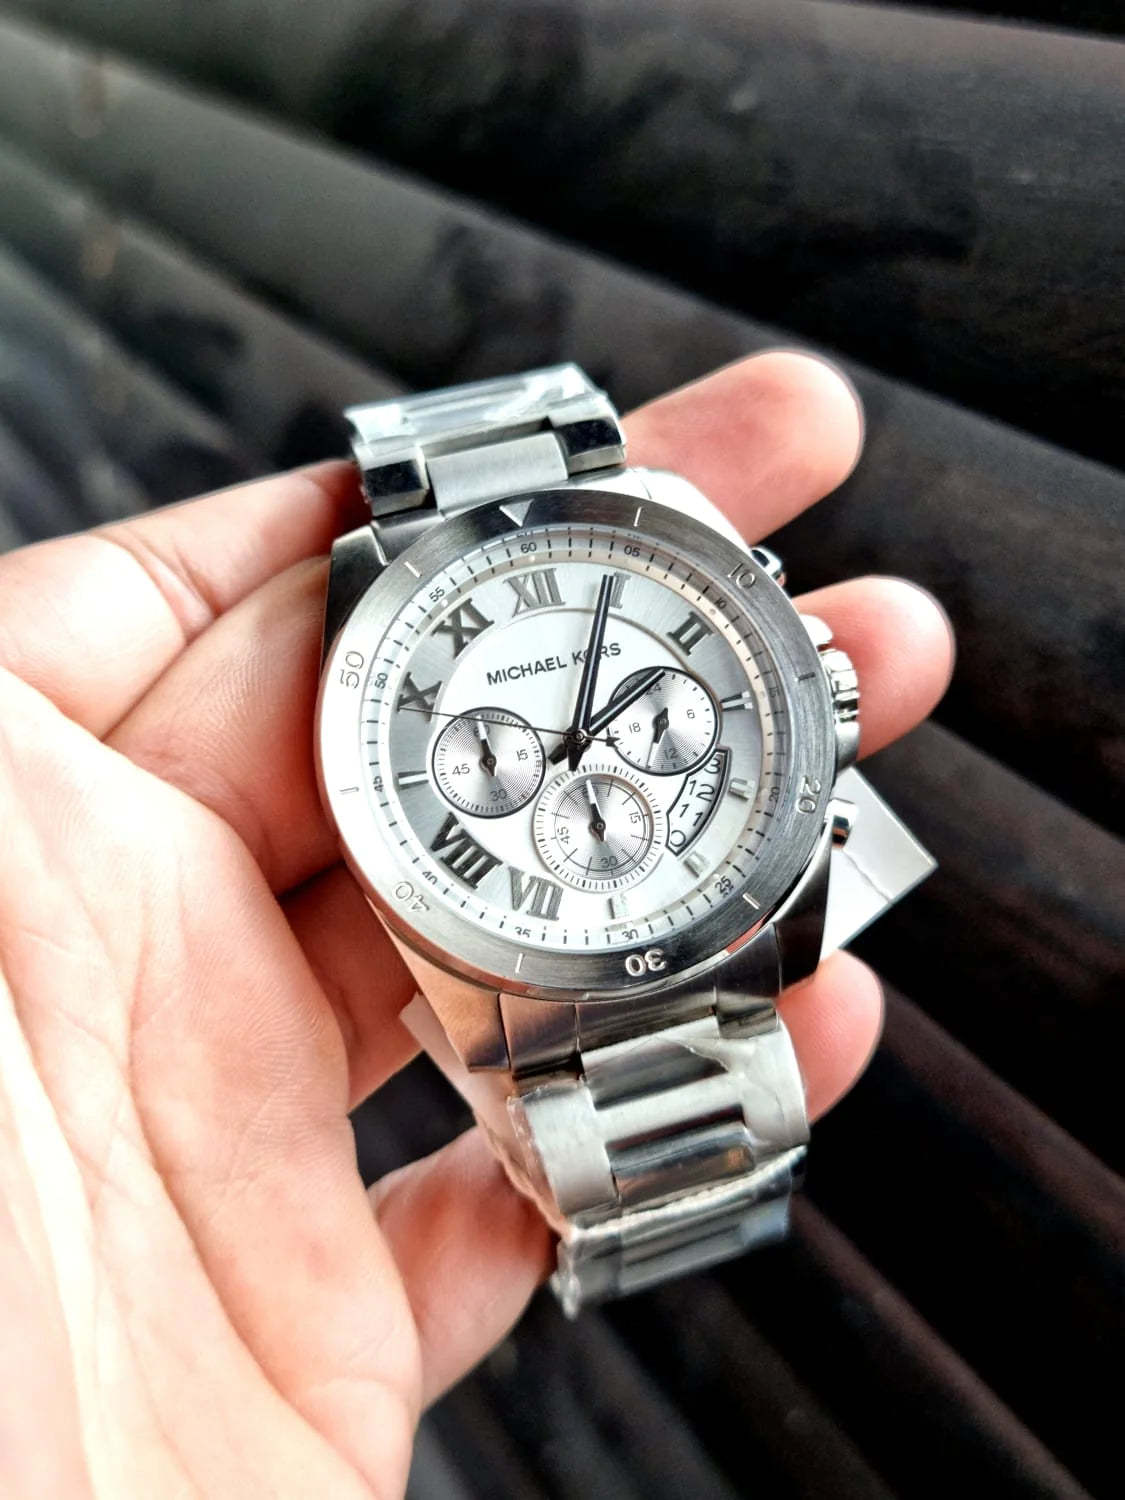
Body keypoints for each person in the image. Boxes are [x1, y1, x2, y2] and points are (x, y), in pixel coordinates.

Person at [0, 352, 953, 1497]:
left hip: (722, 920)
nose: (575, 748)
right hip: (534, 967)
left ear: (816, 693)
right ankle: (643, 1215)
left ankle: (670, 1210)